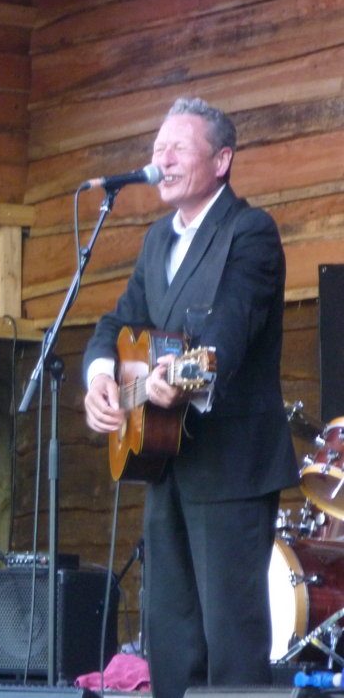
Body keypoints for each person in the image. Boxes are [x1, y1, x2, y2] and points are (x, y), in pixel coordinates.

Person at [82, 98, 298, 698]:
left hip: (231, 465)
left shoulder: (249, 231)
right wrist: (103, 377)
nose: (161, 159)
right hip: (164, 461)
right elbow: (116, 322)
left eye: (177, 148)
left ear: (222, 159)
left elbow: (229, 327)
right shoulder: (157, 240)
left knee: (231, 644)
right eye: (156, 149)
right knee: (171, 645)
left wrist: (185, 377)